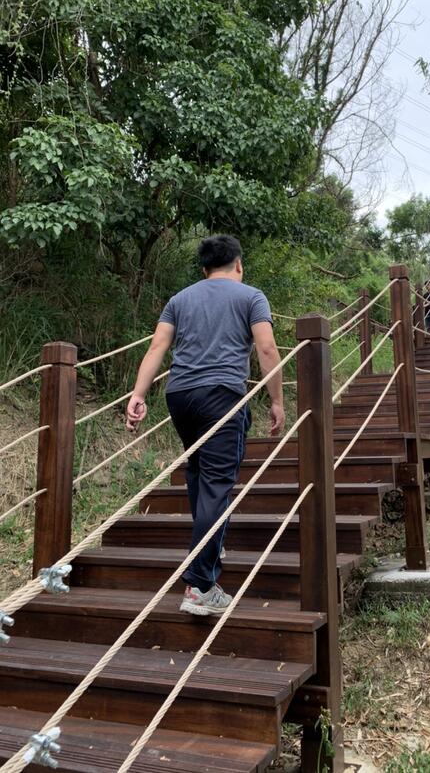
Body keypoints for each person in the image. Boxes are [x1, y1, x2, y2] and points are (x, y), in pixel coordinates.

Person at [125, 235, 284, 616]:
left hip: (179, 396)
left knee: (199, 471)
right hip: (221, 397)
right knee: (216, 482)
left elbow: (157, 348)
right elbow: (266, 348)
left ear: (204, 269)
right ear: (239, 264)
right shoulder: (251, 297)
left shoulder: (180, 299)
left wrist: (138, 394)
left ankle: (208, 543)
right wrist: (277, 400)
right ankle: (201, 586)